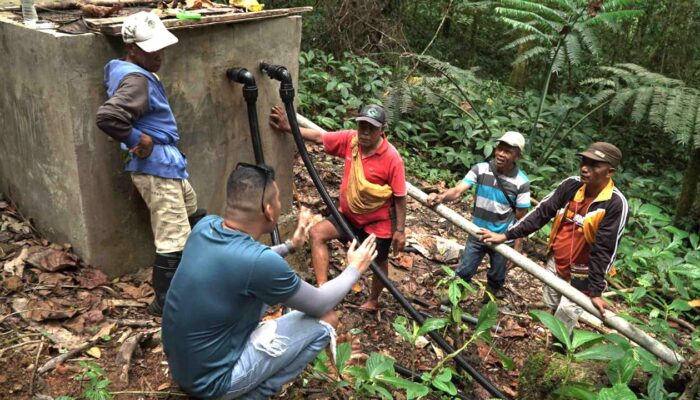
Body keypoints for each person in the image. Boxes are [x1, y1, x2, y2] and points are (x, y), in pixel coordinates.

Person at [162, 163, 377, 399]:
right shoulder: (258, 263)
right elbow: (319, 303)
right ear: (268, 210)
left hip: (184, 370)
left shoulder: (205, 226)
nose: (279, 205)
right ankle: (255, 395)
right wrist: (354, 268)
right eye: (277, 200)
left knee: (272, 300)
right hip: (213, 384)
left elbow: (244, 264)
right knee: (325, 321)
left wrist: (290, 246)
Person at [95, 12, 205, 316]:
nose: (159, 55)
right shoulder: (136, 80)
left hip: (168, 165)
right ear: (131, 48)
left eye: (160, 47)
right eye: (151, 49)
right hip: (157, 167)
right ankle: (166, 303)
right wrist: (136, 139)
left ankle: (203, 267)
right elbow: (108, 117)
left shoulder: (134, 72)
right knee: (172, 240)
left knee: (193, 212)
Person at [269, 104, 407, 311]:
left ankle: (373, 299)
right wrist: (287, 126)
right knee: (317, 233)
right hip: (348, 215)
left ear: (382, 130)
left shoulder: (392, 159)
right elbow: (319, 137)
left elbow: (399, 197)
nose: (365, 132)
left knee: (377, 261)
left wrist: (400, 230)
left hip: (377, 223)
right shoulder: (351, 141)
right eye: (362, 126)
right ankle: (323, 291)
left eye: (371, 128)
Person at [481, 142, 628, 333]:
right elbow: (542, 212)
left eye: (594, 165)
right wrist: (507, 235)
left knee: (567, 311)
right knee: (550, 301)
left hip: (584, 269)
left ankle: (559, 350)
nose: (585, 168)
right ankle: (547, 338)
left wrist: (596, 290)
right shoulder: (571, 186)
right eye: (584, 161)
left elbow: (605, 249)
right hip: (557, 258)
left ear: (609, 172)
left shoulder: (615, 203)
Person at [427, 132, 530, 302]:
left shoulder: (521, 182)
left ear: (517, 156)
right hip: (478, 233)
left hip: (502, 240)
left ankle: (486, 308)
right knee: (464, 270)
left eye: (508, 151)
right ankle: (452, 303)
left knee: (497, 276)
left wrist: (517, 249)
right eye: (500, 149)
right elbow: (458, 190)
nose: (501, 154)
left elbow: (521, 218)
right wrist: (440, 197)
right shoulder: (481, 169)